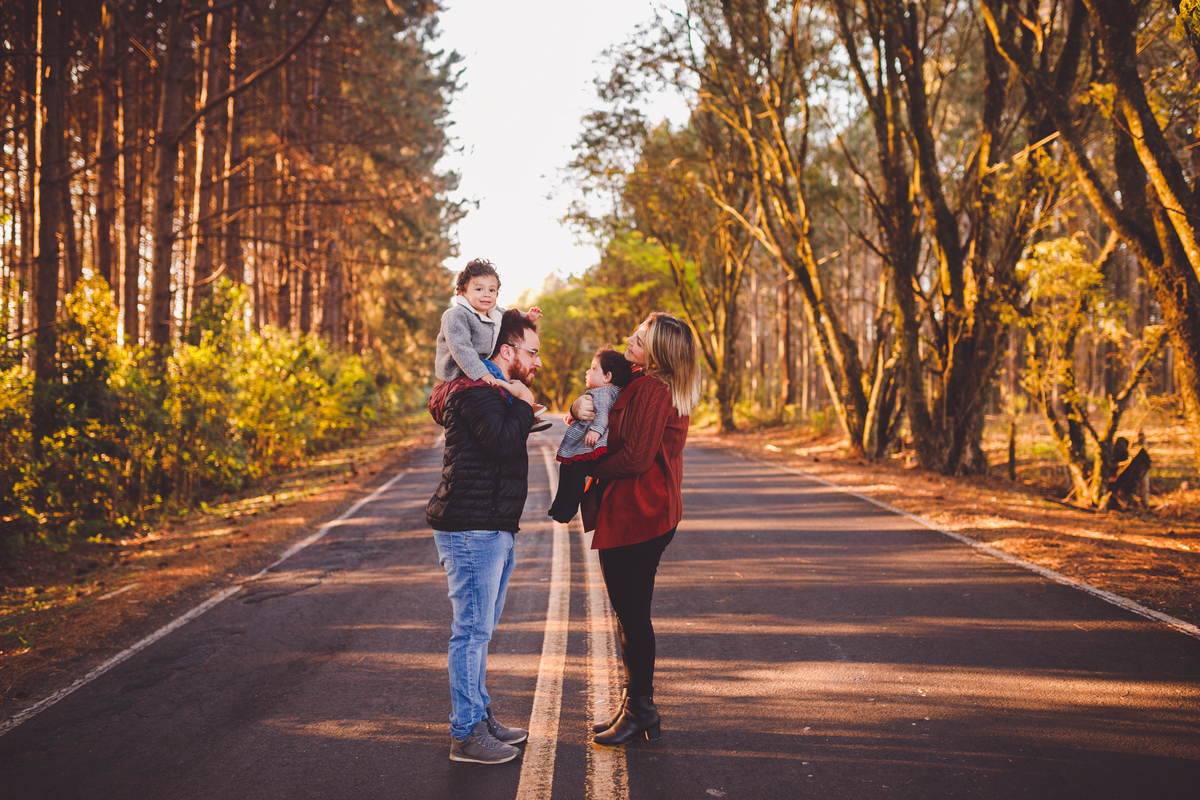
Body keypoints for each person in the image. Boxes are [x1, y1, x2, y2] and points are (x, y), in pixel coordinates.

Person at [574, 313, 699, 746]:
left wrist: (587, 466)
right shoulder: (650, 384)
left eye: (641, 338)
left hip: (640, 512)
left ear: (659, 351)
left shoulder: (653, 389)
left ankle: (641, 709)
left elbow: (635, 459)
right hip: (643, 510)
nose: (630, 338)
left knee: (632, 615)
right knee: (630, 614)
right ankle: (636, 707)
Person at [427, 308, 543, 765]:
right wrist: (522, 399)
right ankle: (465, 733)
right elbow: (500, 442)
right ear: (507, 350)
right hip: (472, 528)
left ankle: (480, 715)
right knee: (470, 633)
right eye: (531, 353)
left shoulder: (495, 391)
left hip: (491, 525)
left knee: (480, 632)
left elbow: (502, 442)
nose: (536, 363)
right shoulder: (479, 392)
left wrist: (518, 401)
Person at [434, 258, 548, 431]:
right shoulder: (456, 315)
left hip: (478, 363)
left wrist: (527, 316)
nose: (486, 294)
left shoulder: (492, 313)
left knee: (503, 372)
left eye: (492, 290)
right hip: (457, 368)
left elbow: (508, 314)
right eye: (479, 289)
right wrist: (481, 373)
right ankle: (521, 408)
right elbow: (461, 349)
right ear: (462, 293)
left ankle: (522, 412)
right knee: (495, 373)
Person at [547, 347, 634, 524]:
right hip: (587, 443)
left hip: (594, 445)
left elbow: (603, 414)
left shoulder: (605, 392)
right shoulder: (600, 391)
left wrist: (596, 431)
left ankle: (569, 507)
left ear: (607, 377)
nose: (588, 371)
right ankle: (559, 503)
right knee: (566, 467)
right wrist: (573, 414)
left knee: (577, 471)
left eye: (594, 368)